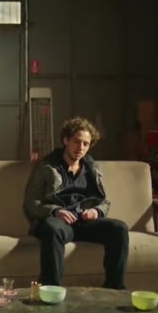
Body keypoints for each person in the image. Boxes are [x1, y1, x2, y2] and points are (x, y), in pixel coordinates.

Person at [23, 117, 129, 290]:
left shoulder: (92, 167)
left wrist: (96, 212)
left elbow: (104, 202)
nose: (81, 148)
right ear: (66, 140)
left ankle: (115, 289)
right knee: (51, 228)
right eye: (77, 142)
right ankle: (51, 289)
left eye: (86, 144)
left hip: (85, 222)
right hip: (58, 223)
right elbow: (30, 203)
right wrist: (55, 211)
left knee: (119, 228)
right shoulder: (46, 166)